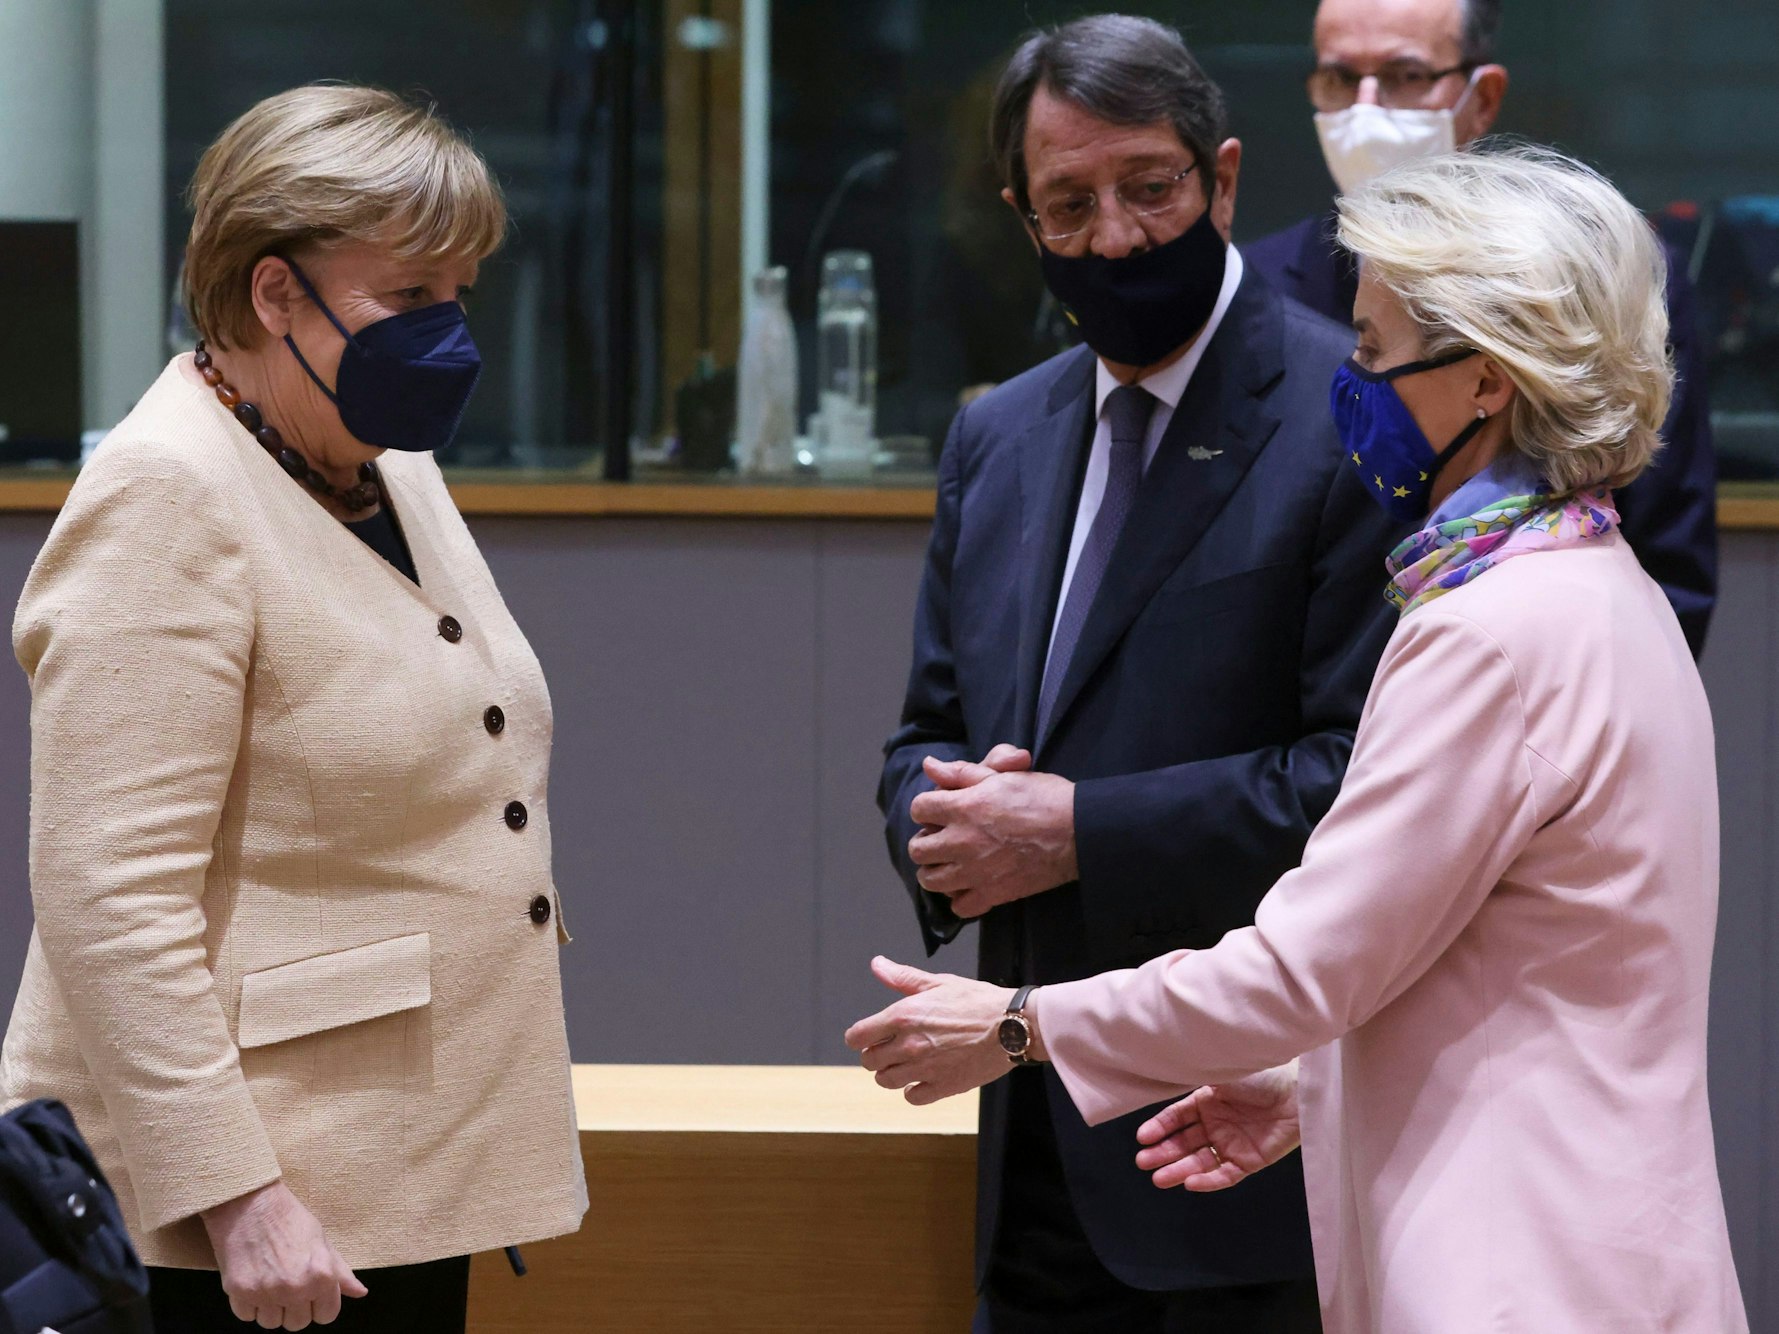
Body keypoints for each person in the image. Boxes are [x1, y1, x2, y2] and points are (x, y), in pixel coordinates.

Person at [850, 144, 1749, 1333]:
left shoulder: (1491, 630)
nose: (1355, 381)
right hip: (1598, 1244)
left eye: (1374, 349)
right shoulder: (1597, 581)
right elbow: (1500, 958)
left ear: (1485, 377)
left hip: (1515, 1268)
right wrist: (1311, 1085)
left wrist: (1020, 1022)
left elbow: (1300, 967)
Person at [0, 85, 587, 1332]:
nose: (450, 335)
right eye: (410, 297)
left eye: (461, 295)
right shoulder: (167, 494)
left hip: (398, 1168)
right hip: (244, 1222)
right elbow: (111, 893)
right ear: (274, 294)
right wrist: (236, 1191)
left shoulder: (378, 457)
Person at [875, 15, 1402, 1331]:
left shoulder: (1356, 419)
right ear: (1021, 215)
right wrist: (942, 827)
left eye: (1147, 189)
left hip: (1238, 1138)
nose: (1111, 236)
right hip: (1030, 1139)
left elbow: (1362, 782)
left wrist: (1075, 831)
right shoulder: (995, 434)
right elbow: (922, 733)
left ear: (1220, 180)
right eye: (1068, 203)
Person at [1244, 0, 1719, 656]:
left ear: (1483, 95)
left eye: (1405, 75)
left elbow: (1667, 562)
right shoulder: (1255, 289)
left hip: (1531, 685)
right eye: (1340, 79)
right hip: (1303, 730)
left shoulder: (1610, 276)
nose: (1366, 107)